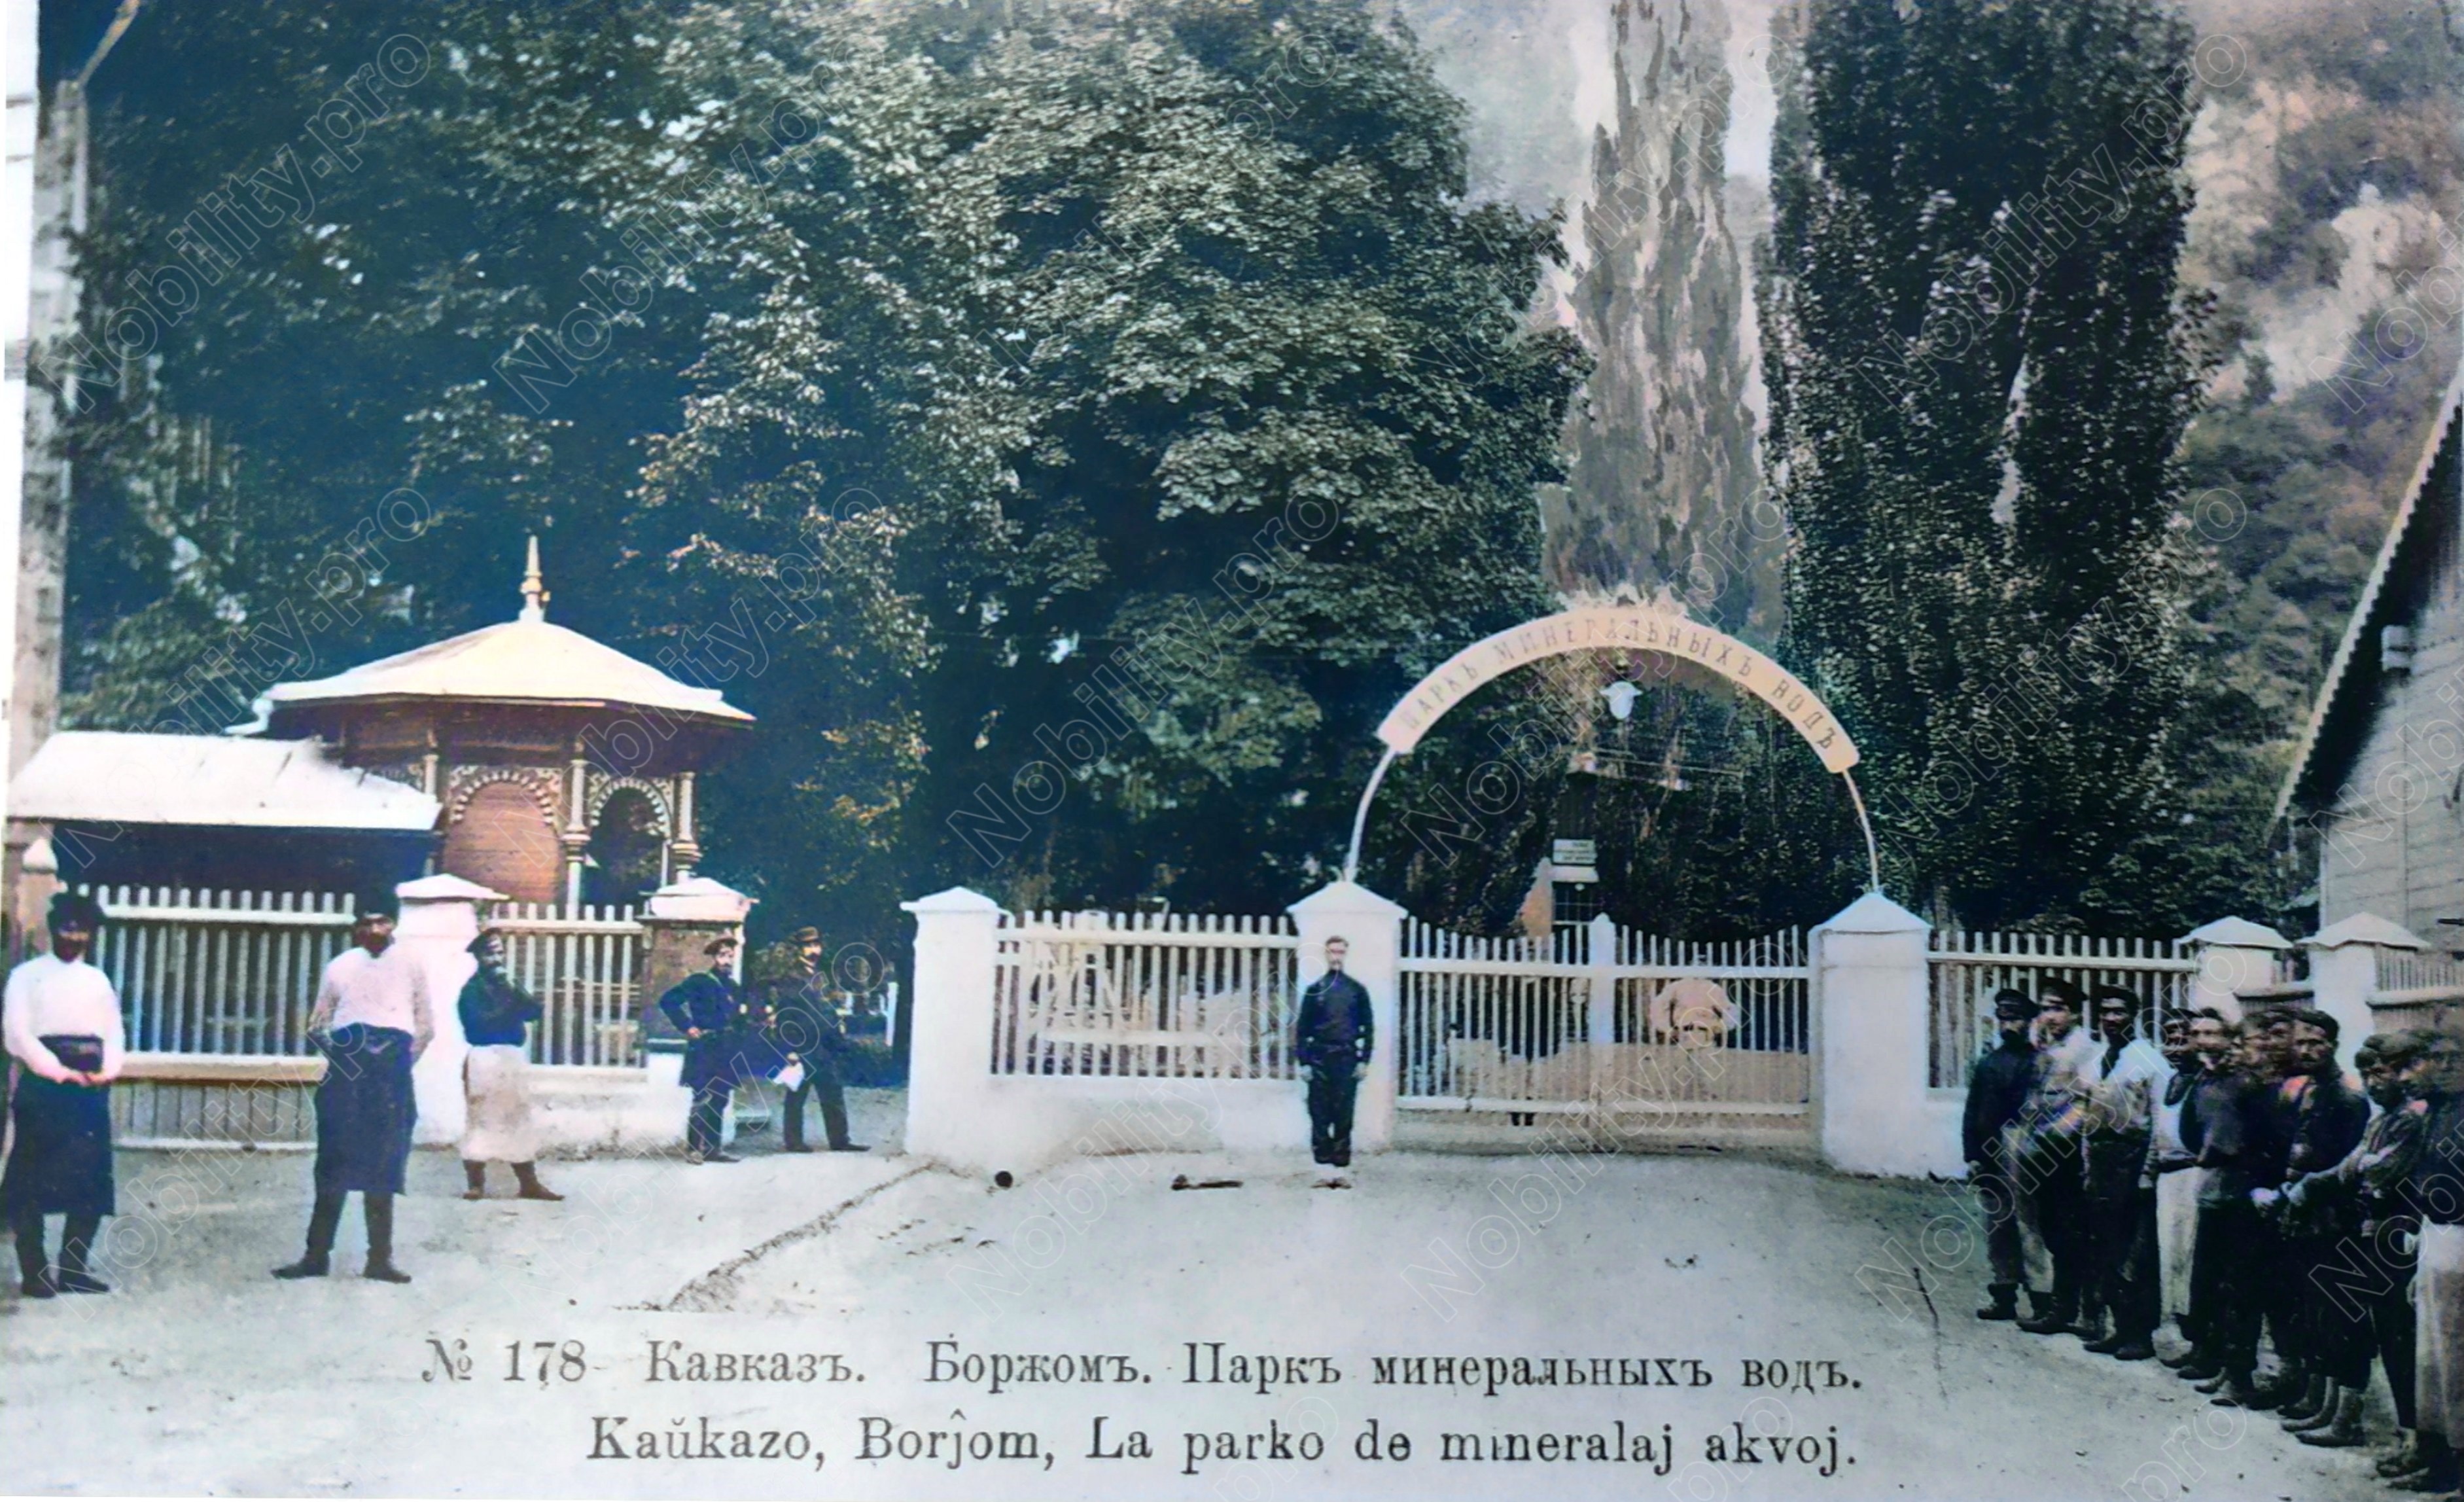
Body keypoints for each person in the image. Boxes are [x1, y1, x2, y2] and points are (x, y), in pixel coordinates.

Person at [2265, 1030, 2429, 1452]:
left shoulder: (2411, 1118)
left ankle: (2410, 1436)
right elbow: (2350, 1168)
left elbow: (2375, 1174)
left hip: (2398, 1239)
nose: (2377, 1082)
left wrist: (2346, 1174)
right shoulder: (2381, 1119)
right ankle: (2341, 1414)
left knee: (2397, 1338)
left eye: (2386, 1073)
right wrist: (2309, 1187)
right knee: (2342, 1321)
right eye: (2370, 1074)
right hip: (2369, 1235)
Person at [275, 908, 432, 1283]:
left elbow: (427, 1028)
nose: (374, 930)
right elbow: (317, 1026)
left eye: (381, 922)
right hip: (347, 1080)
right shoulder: (341, 966)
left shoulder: (411, 964)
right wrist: (348, 1063)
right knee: (333, 1165)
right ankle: (316, 1257)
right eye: (365, 923)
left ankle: (379, 1259)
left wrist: (394, 1069)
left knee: (383, 1166)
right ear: (356, 928)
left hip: (390, 1081)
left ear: (393, 924)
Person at [2, 892, 124, 1298]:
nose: (75, 937)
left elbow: (113, 1032)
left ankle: (73, 1269)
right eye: (68, 929)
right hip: (44, 1087)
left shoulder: (98, 980)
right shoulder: (27, 976)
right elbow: (18, 1035)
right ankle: (34, 1272)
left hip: (88, 1089)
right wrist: (57, 1071)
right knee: (32, 1182)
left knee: (89, 1183)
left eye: (83, 931)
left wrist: (107, 1071)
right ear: (54, 931)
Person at [2256, 1010, 2370, 1427]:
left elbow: (2344, 1166)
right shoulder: (2303, 1090)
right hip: (2301, 1214)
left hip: (2333, 1220)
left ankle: (2345, 1417)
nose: (2307, 1050)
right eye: (2301, 1042)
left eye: (2316, 1042)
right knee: (2310, 1309)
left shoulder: (2347, 1096)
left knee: (2337, 1313)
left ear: (2333, 1045)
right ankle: (2317, 1399)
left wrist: (2298, 1191)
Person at [2077, 985, 2170, 1359]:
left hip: (2132, 1161)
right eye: (2106, 1012)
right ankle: (2118, 1327)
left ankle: (2140, 1334)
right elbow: (2087, 1118)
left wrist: (2147, 1174)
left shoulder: (2149, 1061)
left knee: (2136, 1251)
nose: (2112, 1019)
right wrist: (2086, 1165)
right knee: (2106, 1247)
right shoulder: (2096, 1059)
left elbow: (2158, 1122)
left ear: (2134, 1016)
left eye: (2120, 1012)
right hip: (2101, 1160)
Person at [2015, 979, 2100, 1335]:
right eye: (2046, 1008)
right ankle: (2063, 1307)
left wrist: (2055, 1136)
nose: (2050, 1016)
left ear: (2075, 1013)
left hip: (2069, 1151)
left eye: (2058, 1008)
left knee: (2071, 1232)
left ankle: (2076, 1311)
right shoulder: (2045, 1046)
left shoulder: (2085, 1049)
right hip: (2042, 1149)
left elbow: (2085, 1104)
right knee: (2051, 1226)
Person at [2400, 1031, 2464, 1494]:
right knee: (2433, 1363)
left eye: (2449, 1057)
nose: (2438, 1067)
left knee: (2459, 1363)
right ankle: (2440, 1460)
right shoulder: (2437, 1111)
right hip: (2436, 1238)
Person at [457, 930, 561, 1202]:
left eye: (500, 953)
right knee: (480, 1117)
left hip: (512, 1057)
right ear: (479, 957)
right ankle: (476, 1183)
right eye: (490, 953)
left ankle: (529, 1184)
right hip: (485, 1057)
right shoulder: (471, 991)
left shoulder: (510, 985)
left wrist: (514, 991)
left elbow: (534, 1012)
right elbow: (479, 1023)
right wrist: (509, 1004)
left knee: (518, 1117)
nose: (496, 959)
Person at [2150, 1009, 2226, 1369]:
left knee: (2194, 1258)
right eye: (2171, 1039)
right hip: (2168, 1179)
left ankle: (2201, 1337)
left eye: (2185, 1038)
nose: (2178, 1047)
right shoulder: (2168, 1081)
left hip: (2195, 1176)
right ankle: (2181, 1332)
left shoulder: (2206, 1083)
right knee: (2172, 1255)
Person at [1963, 988, 2039, 1321]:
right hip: (1992, 1155)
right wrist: (1973, 1154)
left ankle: (2041, 1298)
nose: (2010, 1026)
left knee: (2032, 1225)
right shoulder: (1987, 1064)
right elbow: (1972, 1112)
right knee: (1998, 1224)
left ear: (2030, 1022)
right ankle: (2004, 1293)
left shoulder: (2038, 1062)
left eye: (2017, 1019)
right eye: (2004, 1019)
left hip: (2028, 1155)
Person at [769, 927, 864, 1153]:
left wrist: (837, 1028)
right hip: (803, 1046)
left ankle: (840, 1140)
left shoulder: (821, 977)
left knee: (833, 1093)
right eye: (808, 946)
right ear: (800, 949)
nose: (814, 950)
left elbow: (828, 1008)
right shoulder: (791, 978)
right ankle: (794, 1142)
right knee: (797, 1095)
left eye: (816, 945)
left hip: (825, 1045)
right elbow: (786, 1015)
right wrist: (790, 1049)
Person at [661, 935, 748, 1165]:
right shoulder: (699, 981)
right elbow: (668, 1001)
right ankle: (694, 1149)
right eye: (722, 956)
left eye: (730, 956)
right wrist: (687, 1026)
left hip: (726, 1048)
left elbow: (738, 1018)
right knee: (702, 1098)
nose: (727, 961)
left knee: (720, 1099)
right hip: (705, 1047)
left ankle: (713, 1149)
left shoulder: (734, 987)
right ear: (713, 958)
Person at [1294, 937, 1373, 1173]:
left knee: (1344, 1111)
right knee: (1319, 1112)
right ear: (1325, 955)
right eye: (1332, 952)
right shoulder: (1315, 990)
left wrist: (1364, 1060)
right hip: (1319, 1057)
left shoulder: (1357, 990)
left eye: (1340, 952)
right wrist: (1305, 1062)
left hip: (1346, 1057)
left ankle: (1341, 1165)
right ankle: (1322, 1166)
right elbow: (1301, 1030)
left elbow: (1368, 1028)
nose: (1336, 957)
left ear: (1346, 955)